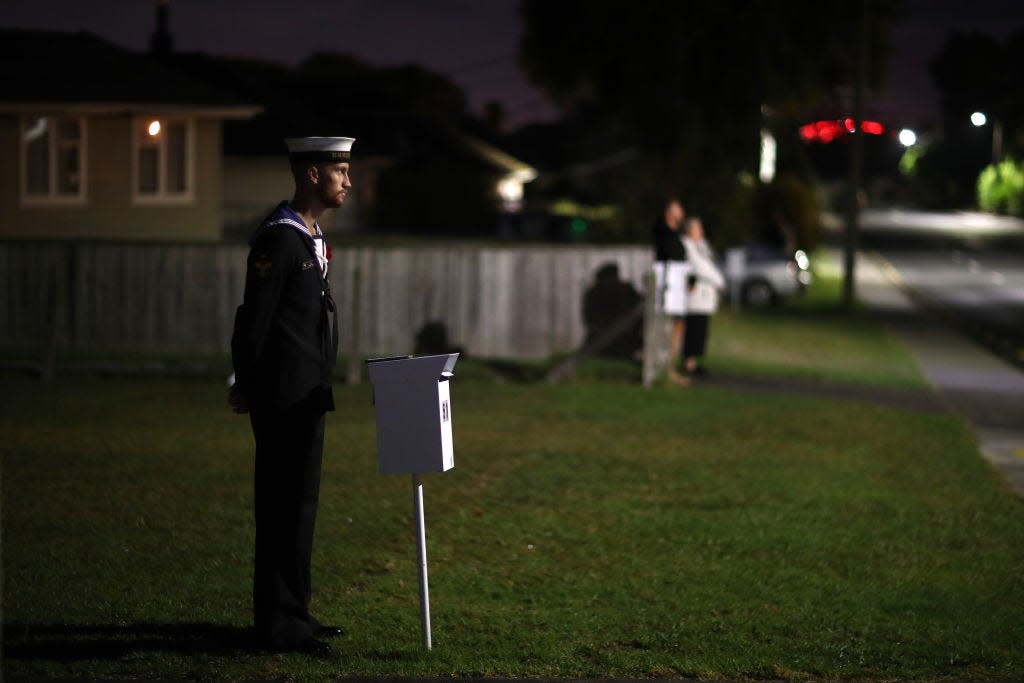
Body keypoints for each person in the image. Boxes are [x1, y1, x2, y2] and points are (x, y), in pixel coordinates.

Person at [229, 136, 353, 655]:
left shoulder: (310, 236)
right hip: (281, 396)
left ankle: (295, 612)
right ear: (311, 174)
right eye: (340, 170)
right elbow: (253, 319)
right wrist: (245, 382)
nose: (348, 181)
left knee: (301, 508)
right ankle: (279, 626)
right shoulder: (280, 239)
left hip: (307, 394)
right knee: (282, 508)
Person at [651, 198, 690, 385]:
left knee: (678, 325)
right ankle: (665, 368)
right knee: (667, 325)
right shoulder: (662, 233)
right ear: (669, 213)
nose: (681, 213)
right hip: (669, 284)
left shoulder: (677, 234)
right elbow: (667, 257)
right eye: (677, 209)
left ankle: (671, 367)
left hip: (678, 284)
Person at [682, 216, 725, 376]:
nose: (701, 232)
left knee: (701, 331)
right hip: (697, 297)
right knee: (694, 330)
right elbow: (700, 267)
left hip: (705, 297)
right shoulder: (688, 246)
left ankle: (693, 362)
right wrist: (719, 280)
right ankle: (689, 363)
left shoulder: (702, 246)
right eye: (698, 229)